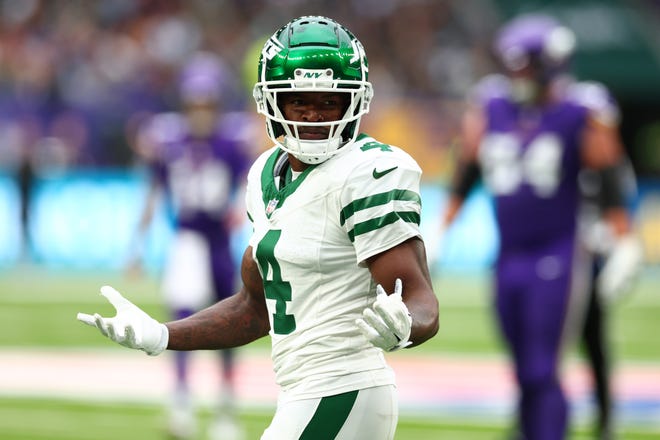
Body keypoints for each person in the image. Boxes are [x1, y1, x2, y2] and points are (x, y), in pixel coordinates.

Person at [78, 15, 439, 440]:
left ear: (355, 103)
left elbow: (419, 299)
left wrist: (404, 325)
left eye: (329, 102)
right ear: (270, 103)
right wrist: (162, 335)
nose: (312, 115)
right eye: (297, 101)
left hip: (344, 388)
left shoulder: (368, 172)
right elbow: (254, 307)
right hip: (302, 390)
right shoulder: (264, 174)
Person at [440, 14, 642, 440]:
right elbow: (467, 167)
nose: (518, 73)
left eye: (527, 64)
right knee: (522, 365)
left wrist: (623, 240)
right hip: (509, 251)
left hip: (560, 249)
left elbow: (609, 177)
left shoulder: (581, 110)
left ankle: (581, 423)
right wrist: (445, 227)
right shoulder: (491, 105)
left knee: (545, 363)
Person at [126, 51, 254, 440]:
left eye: (207, 103)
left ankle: (226, 409)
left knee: (233, 321)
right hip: (185, 241)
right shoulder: (170, 140)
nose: (200, 110)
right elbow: (153, 193)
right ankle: (181, 404)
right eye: (195, 102)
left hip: (220, 242)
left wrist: (244, 219)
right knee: (182, 319)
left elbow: (248, 188)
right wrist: (137, 247)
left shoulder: (231, 143)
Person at [578, 157, 641, 440]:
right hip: (554, 258)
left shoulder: (608, 163)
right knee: (538, 346)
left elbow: (618, 206)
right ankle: (529, 414)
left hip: (589, 261)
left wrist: (617, 244)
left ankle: (605, 417)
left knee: (595, 344)